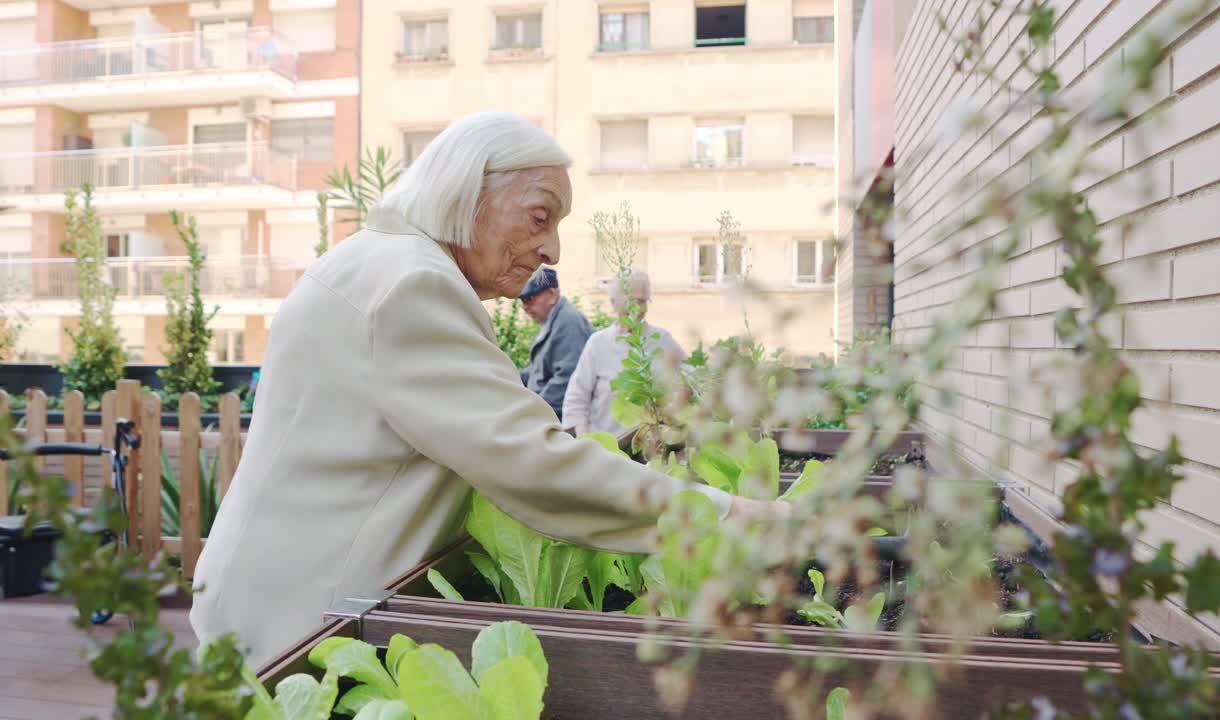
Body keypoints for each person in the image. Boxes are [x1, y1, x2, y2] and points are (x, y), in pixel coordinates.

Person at [190, 111, 787, 669]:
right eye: (539, 216)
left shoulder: (370, 261)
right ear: (469, 193)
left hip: (267, 597)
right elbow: (535, 463)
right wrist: (727, 513)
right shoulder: (412, 287)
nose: (553, 249)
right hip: (304, 619)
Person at [563, 271, 684, 436]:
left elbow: (690, 381)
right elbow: (576, 400)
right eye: (631, 301)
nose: (637, 308)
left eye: (643, 301)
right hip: (606, 449)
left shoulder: (662, 340)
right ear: (613, 303)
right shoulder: (598, 343)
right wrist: (587, 443)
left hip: (651, 451)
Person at [517, 267, 592, 419]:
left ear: (551, 295)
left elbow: (566, 379)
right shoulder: (553, 319)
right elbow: (538, 370)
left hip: (560, 420)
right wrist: (508, 377)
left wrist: (532, 412)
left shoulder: (569, 322)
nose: (524, 307)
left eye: (529, 299)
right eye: (522, 301)